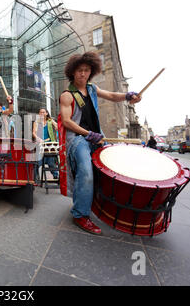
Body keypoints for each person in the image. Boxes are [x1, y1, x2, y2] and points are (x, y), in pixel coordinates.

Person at [58, 52, 141, 235]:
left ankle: (106, 206)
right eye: (79, 70)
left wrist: (128, 96)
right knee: (86, 171)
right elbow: (66, 121)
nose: (83, 74)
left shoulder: (93, 89)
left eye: (87, 70)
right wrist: (88, 134)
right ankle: (80, 214)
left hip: (97, 136)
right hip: (78, 139)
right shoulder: (67, 95)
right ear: (72, 72)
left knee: (111, 169)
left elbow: (111, 95)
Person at [33, 108, 59, 181]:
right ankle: (35, 178)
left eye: (43, 112)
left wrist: (55, 125)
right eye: (40, 112)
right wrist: (38, 139)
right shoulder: (36, 122)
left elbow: (58, 127)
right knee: (38, 162)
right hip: (40, 144)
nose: (42, 114)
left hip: (49, 145)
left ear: (47, 113)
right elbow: (34, 133)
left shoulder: (50, 121)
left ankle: (55, 175)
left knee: (51, 162)